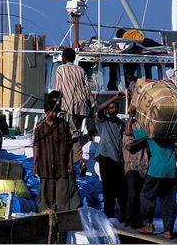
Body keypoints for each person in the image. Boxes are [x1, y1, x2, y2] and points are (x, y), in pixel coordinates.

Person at [136, 124, 177, 239]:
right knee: (169, 202)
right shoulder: (171, 130)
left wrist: (130, 115)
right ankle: (168, 231)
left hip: (156, 170)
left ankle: (148, 224)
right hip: (171, 171)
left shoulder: (150, 129)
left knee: (146, 196)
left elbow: (129, 133)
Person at [55, 48, 93, 166]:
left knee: (69, 135)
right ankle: (75, 160)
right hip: (82, 107)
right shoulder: (81, 70)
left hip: (68, 106)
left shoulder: (60, 69)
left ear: (64, 58)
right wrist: (92, 106)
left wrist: (55, 104)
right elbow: (87, 89)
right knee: (75, 133)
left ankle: (76, 161)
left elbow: (58, 89)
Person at [33, 99, 73, 212]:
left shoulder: (63, 125)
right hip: (45, 166)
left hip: (61, 166)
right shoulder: (40, 127)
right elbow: (36, 145)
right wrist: (35, 164)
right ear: (46, 112)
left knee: (63, 197)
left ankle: (64, 222)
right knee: (46, 197)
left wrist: (70, 162)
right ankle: (46, 220)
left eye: (56, 112)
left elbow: (69, 145)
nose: (54, 114)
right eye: (51, 111)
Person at [94, 91, 127, 222]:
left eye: (116, 107)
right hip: (106, 157)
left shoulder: (120, 123)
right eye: (111, 108)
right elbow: (99, 109)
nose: (114, 110)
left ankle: (123, 217)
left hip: (118, 159)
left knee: (120, 189)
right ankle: (109, 215)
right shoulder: (103, 121)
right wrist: (114, 97)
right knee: (108, 188)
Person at [47, 90, 82, 209]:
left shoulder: (67, 117)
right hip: (50, 159)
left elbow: (74, 139)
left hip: (65, 157)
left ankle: (73, 211)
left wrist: (77, 159)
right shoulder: (44, 118)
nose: (57, 104)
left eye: (59, 101)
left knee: (70, 184)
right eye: (54, 101)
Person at [123, 105, 149, 229]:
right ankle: (128, 220)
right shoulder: (130, 125)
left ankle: (138, 220)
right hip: (132, 166)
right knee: (132, 193)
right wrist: (143, 140)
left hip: (143, 166)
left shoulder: (145, 126)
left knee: (140, 194)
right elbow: (129, 146)